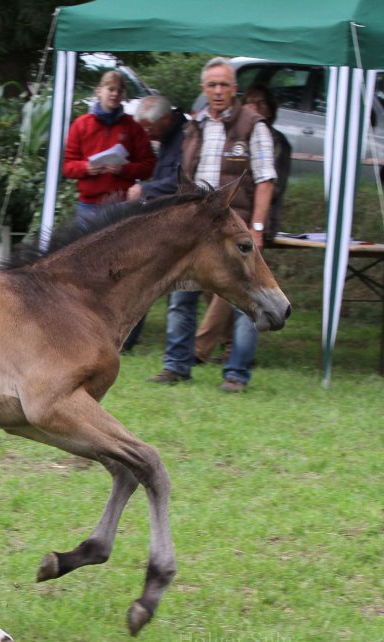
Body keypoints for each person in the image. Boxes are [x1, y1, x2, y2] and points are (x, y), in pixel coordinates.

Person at [148, 58, 276, 393]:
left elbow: (265, 180)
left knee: (245, 296)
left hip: (233, 228)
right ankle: (176, 367)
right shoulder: (196, 125)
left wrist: (257, 228)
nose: (218, 91)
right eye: (211, 86)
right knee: (181, 295)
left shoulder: (253, 125)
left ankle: (236, 374)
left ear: (235, 89)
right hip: (194, 227)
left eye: (224, 85)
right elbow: (184, 179)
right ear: (204, 90)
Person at [193, 84, 292, 364]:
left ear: (271, 108)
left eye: (262, 102)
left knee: (234, 287)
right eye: (251, 101)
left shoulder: (276, 140)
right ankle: (227, 346)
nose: (255, 106)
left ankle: (202, 348)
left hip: (253, 223)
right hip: (222, 225)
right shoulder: (225, 131)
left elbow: (273, 185)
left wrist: (256, 225)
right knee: (210, 287)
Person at [119, 94, 188, 351]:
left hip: (176, 227)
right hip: (161, 222)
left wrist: (145, 190)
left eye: (149, 127)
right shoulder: (168, 138)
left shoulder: (184, 138)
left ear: (166, 120)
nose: (146, 134)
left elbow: (182, 180)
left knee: (149, 280)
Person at [62, 70, 156, 227]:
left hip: (122, 204)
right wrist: (85, 168)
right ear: (99, 91)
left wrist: (124, 169)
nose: (115, 94)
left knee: (122, 251)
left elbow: (149, 166)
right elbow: (67, 167)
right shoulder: (81, 124)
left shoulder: (132, 126)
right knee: (86, 251)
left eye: (120, 90)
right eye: (111, 89)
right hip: (89, 206)